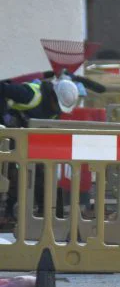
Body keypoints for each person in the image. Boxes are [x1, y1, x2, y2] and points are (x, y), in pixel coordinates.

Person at [0, 76, 79, 224]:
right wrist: (4, 117)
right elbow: (2, 88)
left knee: (42, 170)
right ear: (53, 96)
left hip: (26, 140)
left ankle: (46, 213)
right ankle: (8, 211)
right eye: (57, 104)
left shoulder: (55, 110)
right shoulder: (31, 95)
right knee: (13, 171)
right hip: (7, 135)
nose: (58, 108)